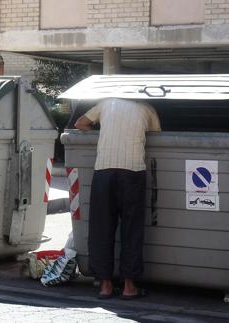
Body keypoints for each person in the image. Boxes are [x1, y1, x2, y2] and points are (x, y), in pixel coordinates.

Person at [74, 97, 161, 300]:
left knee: (102, 227)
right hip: (133, 171)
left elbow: (79, 123)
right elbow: (158, 136)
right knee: (131, 228)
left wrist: (102, 131)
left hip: (103, 171)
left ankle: (105, 285)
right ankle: (129, 287)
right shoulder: (147, 108)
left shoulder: (105, 104)